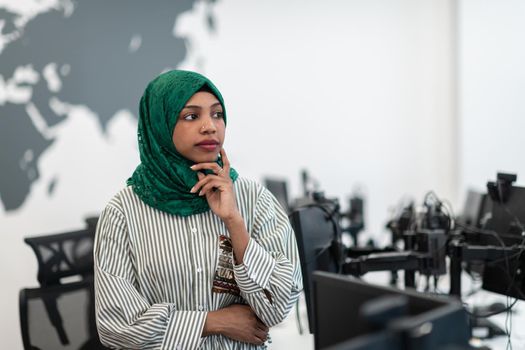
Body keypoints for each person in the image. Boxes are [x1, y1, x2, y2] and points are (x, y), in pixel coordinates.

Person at [94, 70, 302, 349]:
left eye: (217, 115)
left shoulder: (254, 198)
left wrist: (235, 223)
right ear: (160, 125)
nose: (210, 127)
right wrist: (212, 322)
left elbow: (278, 307)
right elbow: (116, 327)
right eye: (191, 116)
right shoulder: (123, 212)